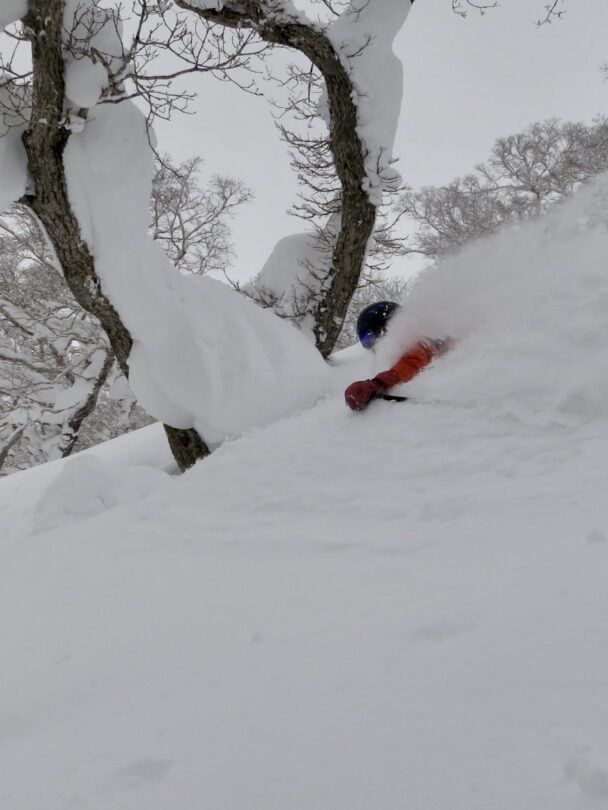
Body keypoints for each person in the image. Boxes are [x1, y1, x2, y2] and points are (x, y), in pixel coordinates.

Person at [344, 301, 452, 411]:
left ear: (386, 327)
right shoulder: (398, 351)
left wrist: (377, 383)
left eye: (369, 337)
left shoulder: (419, 342)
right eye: (365, 341)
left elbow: (412, 361)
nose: (371, 345)